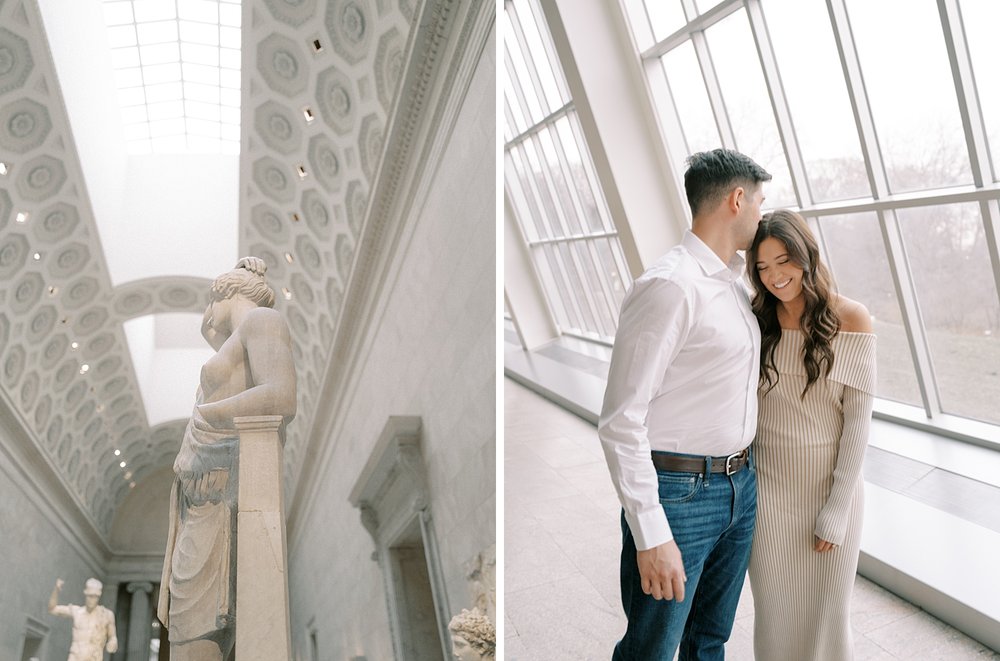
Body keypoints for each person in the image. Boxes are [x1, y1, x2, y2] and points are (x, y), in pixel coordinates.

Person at [599, 148, 770, 660]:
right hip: (680, 497)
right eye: (761, 202)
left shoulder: (733, 287)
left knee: (709, 642)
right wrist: (650, 533)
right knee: (651, 650)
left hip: (740, 487)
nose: (762, 214)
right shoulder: (671, 286)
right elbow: (620, 420)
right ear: (738, 200)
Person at [745, 209, 875, 660]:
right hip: (768, 496)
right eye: (762, 267)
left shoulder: (851, 318)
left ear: (806, 256)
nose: (774, 276)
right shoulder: (754, 320)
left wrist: (836, 509)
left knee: (827, 618)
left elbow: (858, 424)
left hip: (832, 491)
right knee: (776, 616)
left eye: (783, 260)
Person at [157, 256, 297, 661]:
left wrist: (204, 417)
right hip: (201, 500)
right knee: (186, 631)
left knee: (194, 632)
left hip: (219, 495)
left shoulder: (263, 322)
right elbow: (223, 354)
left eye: (210, 301)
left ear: (224, 292)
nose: (206, 313)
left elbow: (281, 395)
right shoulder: (240, 335)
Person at [48, 578, 118, 661]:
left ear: (98, 597)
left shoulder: (106, 615)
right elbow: (52, 609)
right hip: (75, 656)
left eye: (95, 597)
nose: (92, 599)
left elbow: (112, 637)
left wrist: (112, 643)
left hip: (94, 657)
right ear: (85, 594)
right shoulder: (76, 612)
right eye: (90, 596)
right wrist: (56, 590)